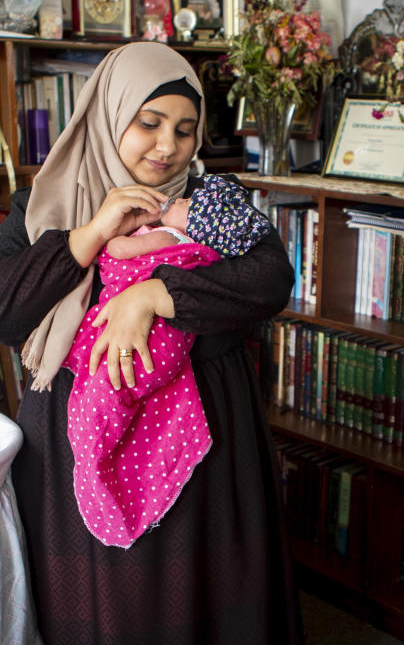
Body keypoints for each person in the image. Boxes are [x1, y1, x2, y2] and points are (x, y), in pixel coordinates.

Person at [0, 42, 302, 644]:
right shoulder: (45, 205)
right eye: (149, 123)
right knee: (104, 604)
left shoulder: (213, 203)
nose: (167, 146)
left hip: (204, 432)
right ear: (110, 113)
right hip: (75, 433)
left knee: (203, 595)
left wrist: (154, 297)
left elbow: (272, 277)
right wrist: (91, 234)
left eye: (185, 130)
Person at [63, 175, 272, 550]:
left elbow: (121, 251)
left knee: (107, 391)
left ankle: (93, 460)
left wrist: (113, 235)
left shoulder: (172, 239)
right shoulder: (197, 243)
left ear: (195, 226)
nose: (181, 201)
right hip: (169, 344)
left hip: (152, 343)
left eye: (188, 207)